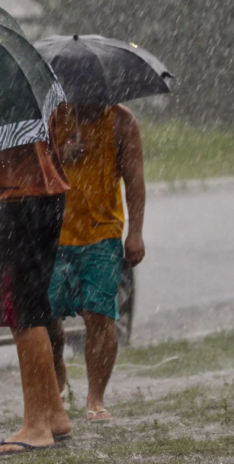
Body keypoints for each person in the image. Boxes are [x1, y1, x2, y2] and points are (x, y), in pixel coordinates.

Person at [47, 102, 146, 422]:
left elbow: (134, 180)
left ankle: (95, 398)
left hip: (103, 232)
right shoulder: (53, 117)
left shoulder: (122, 122)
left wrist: (136, 233)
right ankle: (58, 372)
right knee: (46, 317)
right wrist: (60, 154)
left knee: (100, 315)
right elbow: (31, 168)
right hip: (55, 233)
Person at [0, 114, 73, 456]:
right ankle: (53, 413)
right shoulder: (34, 77)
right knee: (33, 306)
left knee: (22, 313)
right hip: (45, 196)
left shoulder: (2, 80)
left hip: (20, 198)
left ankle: (36, 425)